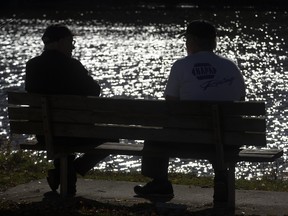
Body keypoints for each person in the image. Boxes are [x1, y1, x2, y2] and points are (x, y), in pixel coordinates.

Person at [134, 20, 246, 201]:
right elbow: (241, 101)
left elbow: (170, 105)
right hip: (228, 140)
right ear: (214, 42)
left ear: (192, 41)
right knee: (215, 137)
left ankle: (160, 184)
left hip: (190, 139)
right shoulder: (231, 67)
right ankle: (221, 178)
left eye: (186, 40)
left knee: (154, 135)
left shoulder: (181, 66)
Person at [25, 24, 113, 196]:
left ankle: (64, 180)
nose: (72, 47)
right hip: (73, 132)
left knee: (62, 135)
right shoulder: (72, 66)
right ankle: (66, 173)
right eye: (71, 42)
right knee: (111, 136)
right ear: (62, 41)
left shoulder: (32, 65)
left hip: (43, 132)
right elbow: (95, 90)